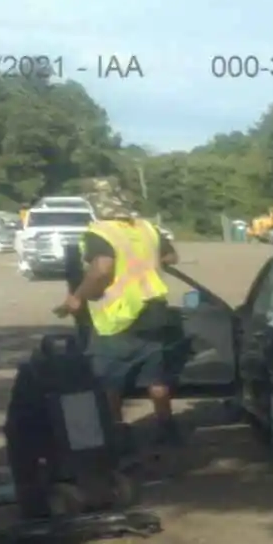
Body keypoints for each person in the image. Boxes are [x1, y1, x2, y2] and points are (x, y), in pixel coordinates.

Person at [54, 191, 186, 447]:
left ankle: (117, 431)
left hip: (118, 316)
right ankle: (166, 428)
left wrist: (78, 296)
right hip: (154, 311)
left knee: (108, 381)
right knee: (156, 378)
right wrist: (144, 263)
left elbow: (102, 268)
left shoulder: (100, 232)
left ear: (97, 208)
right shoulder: (147, 228)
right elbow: (171, 257)